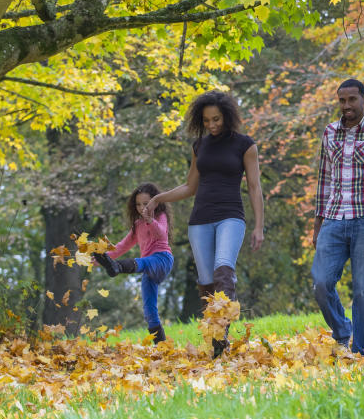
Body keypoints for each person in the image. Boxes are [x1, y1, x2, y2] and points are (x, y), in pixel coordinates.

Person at [143, 90, 264, 357]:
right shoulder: (200, 146)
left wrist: (259, 226)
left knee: (224, 272)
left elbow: (254, 187)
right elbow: (189, 186)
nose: (212, 125)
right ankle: (216, 343)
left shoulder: (245, 145)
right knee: (206, 282)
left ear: (228, 116)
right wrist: (157, 199)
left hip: (231, 216)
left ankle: (222, 334)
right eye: (207, 120)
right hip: (200, 220)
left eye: (217, 119)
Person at [312, 78, 364, 354]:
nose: (346, 106)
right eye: (342, 100)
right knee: (321, 284)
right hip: (334, 219)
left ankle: (362, 351)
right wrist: (318, 224)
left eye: (352, 100)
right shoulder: (330, 132)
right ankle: (342, 331)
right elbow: (324, 180)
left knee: (363, 291)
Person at [94, 183, 174, 344]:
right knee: (149, 310)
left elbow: (161, 235)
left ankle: (118, 267)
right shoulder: (137, 225)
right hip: (146, 268)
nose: (141, 208)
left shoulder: (160, 217)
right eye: (138, 204)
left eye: (145, 204)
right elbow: (122, 246)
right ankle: (162, 348)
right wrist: (100, 259)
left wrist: (150, 220)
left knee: (143, 262)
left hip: (162, 259)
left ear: (155, 202)